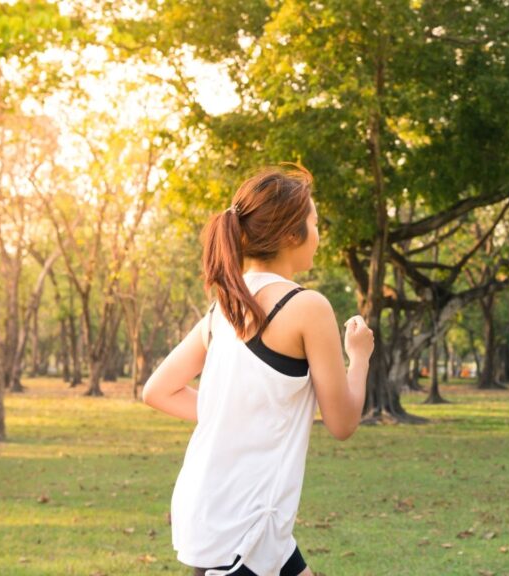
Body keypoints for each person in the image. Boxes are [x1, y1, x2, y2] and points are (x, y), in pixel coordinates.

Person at [141, 164, 374, 576]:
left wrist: (234, 414)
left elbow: (158, 390)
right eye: (314, 223)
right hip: (243, 527)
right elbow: (342, 422)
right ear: (290, 234)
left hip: (224, 514)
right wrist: (359, 357)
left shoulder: (223, 307)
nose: (319, 235)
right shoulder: (307, 307)